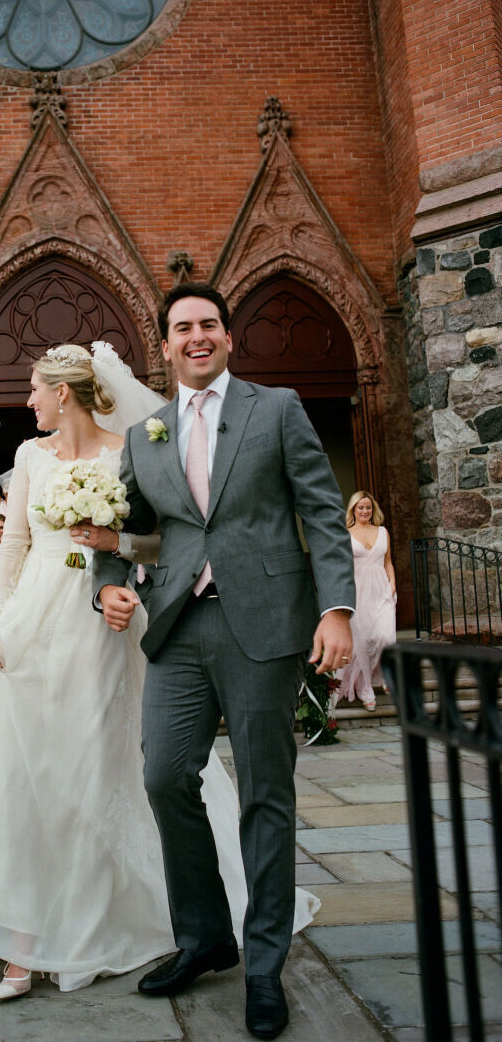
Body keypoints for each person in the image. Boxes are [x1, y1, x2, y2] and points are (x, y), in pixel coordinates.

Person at [0, 341, 319, 1002]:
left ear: (64, 392)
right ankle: (23, 943)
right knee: (21, 768)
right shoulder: (29, 456)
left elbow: (162, 539)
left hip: (108, 622)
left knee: (105, 763)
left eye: (35, 390)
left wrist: (113, 546)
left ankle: (135, 914)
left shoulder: (132, 449)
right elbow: (19, 546)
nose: (28, 402)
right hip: (35, 620)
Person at [94, 284, 354, 1040]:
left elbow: (321, 511)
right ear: (166, 345)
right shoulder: (146, 432)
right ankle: (207, 935)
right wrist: (107, 589)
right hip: (176, 627)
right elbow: (119, 530)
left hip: (264, 627)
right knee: (165, 774)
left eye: (209, 324)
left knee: (264, 794)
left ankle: (265, 964)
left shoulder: (277, 410)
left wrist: (336, 609)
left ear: (229, 338)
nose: (197, 337)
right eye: (183, 328)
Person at [337, 491, 396, 712]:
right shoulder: (346, 534)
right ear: (353, 510)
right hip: (358, 591)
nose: (364, 511)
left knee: (385, 637)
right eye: (360, 507)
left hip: (382, 590)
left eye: (368, 507)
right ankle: (365, 690)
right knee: (362, 641)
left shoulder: (383, 532)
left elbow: (388, 561)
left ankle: (385, 675)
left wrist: (393, 585)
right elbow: (342, 566)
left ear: (373, 510)